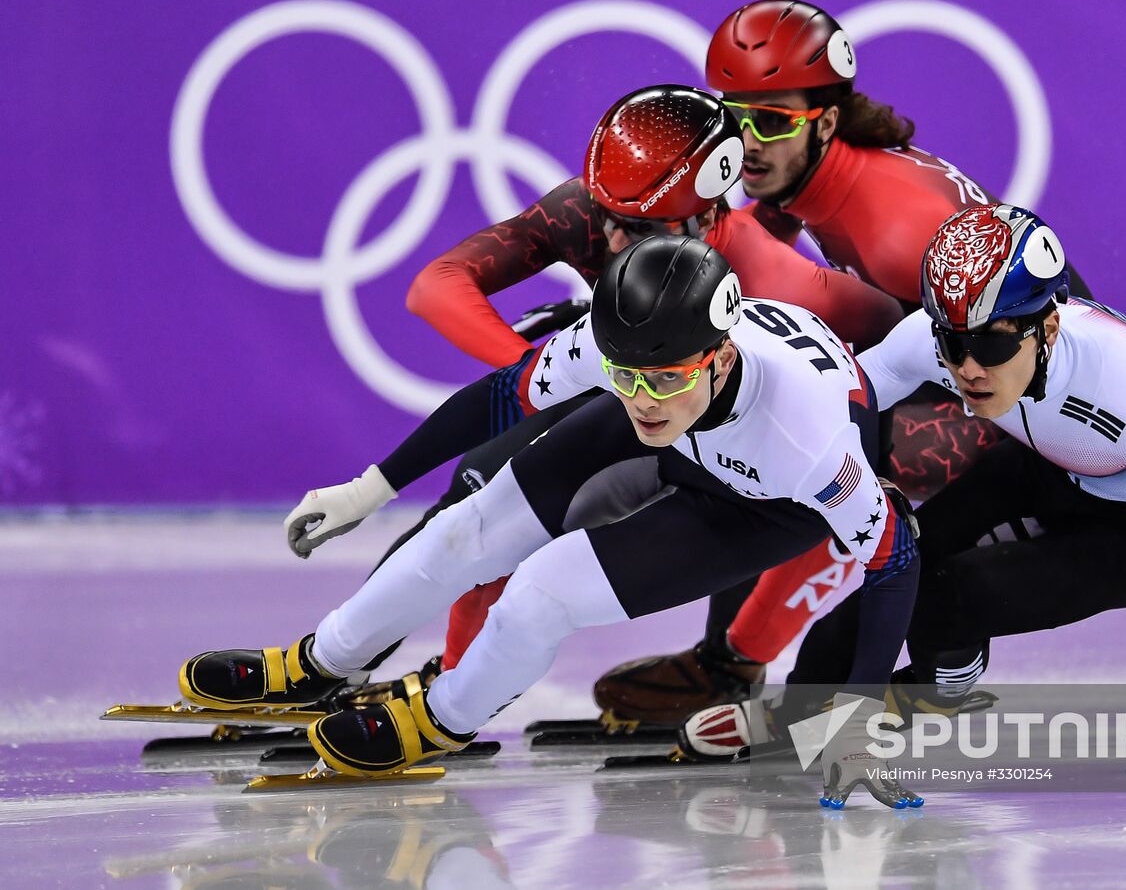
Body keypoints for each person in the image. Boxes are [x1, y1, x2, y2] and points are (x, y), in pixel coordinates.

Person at [176, 235, 923, 807]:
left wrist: (859, 716)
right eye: (625, 376)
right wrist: (371, 487)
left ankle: (441, 716)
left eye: (664, 377)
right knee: (466, 529)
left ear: (720, 358)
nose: (643, 396)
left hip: (761, 504)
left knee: (538, 592)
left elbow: (895, 558)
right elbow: (503, 395)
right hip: (696, 440)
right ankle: (322, 660)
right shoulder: (635, 360)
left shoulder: (811, 443)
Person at [591, 0, 1096, 723]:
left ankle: (734, 662)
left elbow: (1010, 349)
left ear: (826, 121)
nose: (747, 143)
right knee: (757, 402)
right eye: (735, 119)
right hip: (966, 361)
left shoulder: (893, 226)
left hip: (1030, 399)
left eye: (771, 121)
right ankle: (728, 657)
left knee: (820, 446)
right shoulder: (811, 174)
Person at [683, 204, 1126, 780]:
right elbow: (852, 392)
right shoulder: (944, 344)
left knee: (950, 598)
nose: (968, 369)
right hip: (1053, 466)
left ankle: (938, 687)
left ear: (1048, 327)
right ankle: (801, 704)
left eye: (989, 344)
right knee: (895, 565)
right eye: (952, 344)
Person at [343, 84, 904, 687]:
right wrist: (543, 372)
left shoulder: (773, 280)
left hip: (721, 428)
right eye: (607, 215)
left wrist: (878, 443)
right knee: (475, 491)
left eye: (638, 228)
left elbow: (893, 333)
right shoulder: (589, 211)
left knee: (760, 487)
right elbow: (437, 286)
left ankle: (727, 666)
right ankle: (343, 668)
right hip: (627, 383)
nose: (611, 239)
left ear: (708, 218)